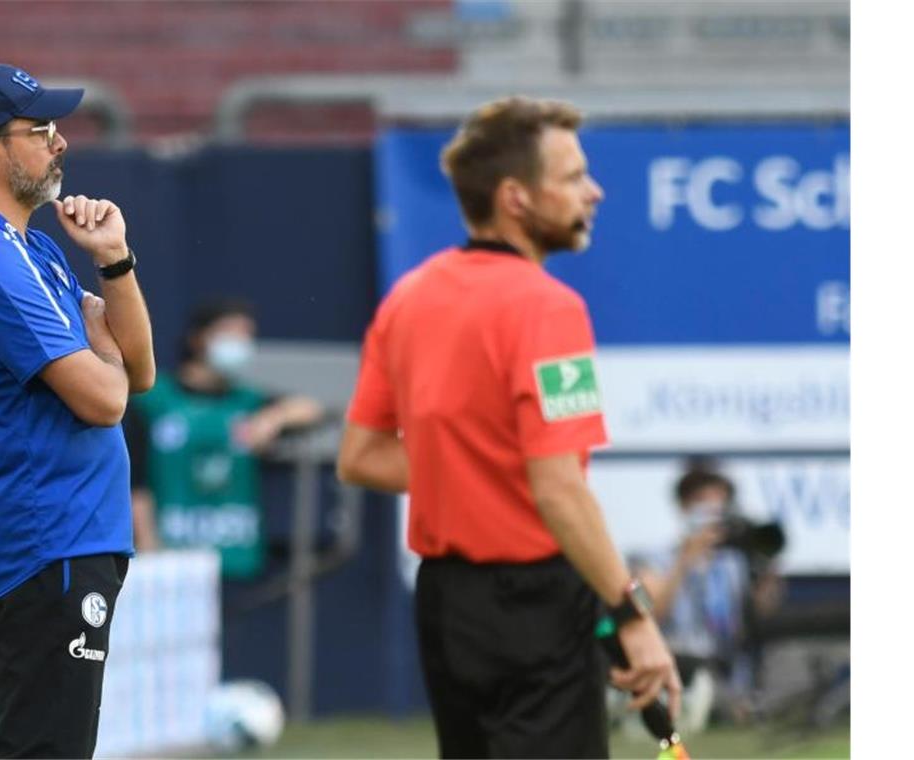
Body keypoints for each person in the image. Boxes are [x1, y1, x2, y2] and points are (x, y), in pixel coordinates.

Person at [336, 96, 681, 759]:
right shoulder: (550, 309)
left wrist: (475, 473)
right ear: (516, 198)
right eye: (575, 176)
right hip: (536, 603)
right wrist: (633, 617)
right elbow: (559, 490)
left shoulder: (410, 297)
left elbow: (361, 456)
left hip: (445, 601)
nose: (596, 190)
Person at [0, 63, 155, 759]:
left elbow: (138, 370)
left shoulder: (35, 250)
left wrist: (114, 261)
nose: (60, 145)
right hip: (45, 543)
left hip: (68, 539)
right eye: (41, 131)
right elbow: (106, 399)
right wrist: (106, 360)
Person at [126, 298, 323, 579]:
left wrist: (273, 418)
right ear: (198, 338)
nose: (239, 343)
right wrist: (147, 545)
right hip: (173, 557)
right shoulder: (153, 400)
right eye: (229, 333)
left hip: (236, 556)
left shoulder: (248, 401)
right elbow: (135, 481)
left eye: (246, 335)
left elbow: (310, 409)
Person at [635, 464, 784, 727]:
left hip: (728, 671)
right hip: (680, 667)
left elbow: (761, 614)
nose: (712, 513)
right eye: (703, 503)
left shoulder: (732, 564)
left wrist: (767, 567)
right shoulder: (653, 559)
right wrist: (683, 563)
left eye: (720, 504)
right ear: (684, 508)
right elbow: (648, 614)